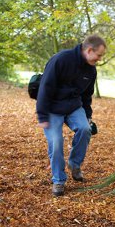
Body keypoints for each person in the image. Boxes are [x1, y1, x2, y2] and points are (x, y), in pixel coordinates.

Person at [36, 34, 106, 197]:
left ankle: (74, 164)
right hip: (52, 107)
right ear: (89, 50)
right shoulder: (61, 60)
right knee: (56, 141)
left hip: (74, 106)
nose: (100, 59)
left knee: (84, 129)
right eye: (99, 55)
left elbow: (87, 95)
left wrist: (88, 116)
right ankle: (59, 180)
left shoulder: (91, 69)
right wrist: (42, 115)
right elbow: (45, 88)